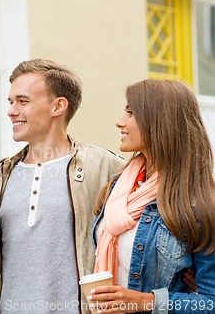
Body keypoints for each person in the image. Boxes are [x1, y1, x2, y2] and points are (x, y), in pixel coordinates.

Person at [0, 59, 125, 314]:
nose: (11, 111)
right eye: (11, 102)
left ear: (58, 106)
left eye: (22, 101)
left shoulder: (107, 168)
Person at [89, 79, 215, 313]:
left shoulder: (199, 205)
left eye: (130, 113)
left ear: (159, 121)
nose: (120, 122)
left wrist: (146, 301)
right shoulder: (119, 186)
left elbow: (211, 301)